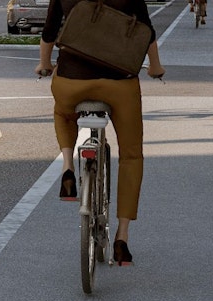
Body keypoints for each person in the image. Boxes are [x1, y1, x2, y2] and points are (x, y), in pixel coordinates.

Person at [36, 0, 165, 266]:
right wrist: (155, 66)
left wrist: (45, 64)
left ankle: (69, 167)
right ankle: (122, 238)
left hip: (72, 81)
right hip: (119, 84)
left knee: (62, 112)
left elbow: (49, 32)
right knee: (131, 155)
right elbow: (147, 33)